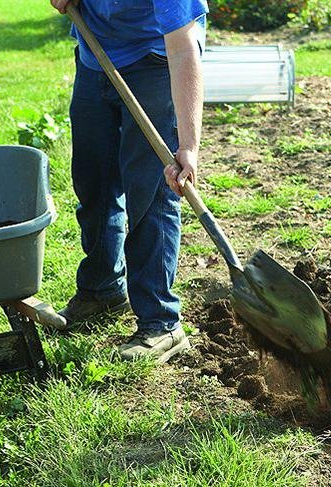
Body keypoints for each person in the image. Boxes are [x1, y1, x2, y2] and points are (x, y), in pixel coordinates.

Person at [49, 0, 207, 363]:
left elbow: (183, 48)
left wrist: (188, 145)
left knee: (150, 191)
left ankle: (161, 322)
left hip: (155, 62)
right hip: (95, 55)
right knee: (94, 182)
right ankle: (102, 289)